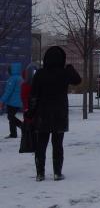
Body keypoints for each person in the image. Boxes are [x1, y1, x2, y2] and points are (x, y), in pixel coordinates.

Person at [27, 46, 82, 181]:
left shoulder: (40, 74)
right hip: (59, 113)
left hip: (42, 114)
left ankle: (40, 173)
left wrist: (31, 112)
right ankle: (57, 172)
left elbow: (33, 95)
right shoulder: (64, 73)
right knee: (58, 144)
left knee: (41, 144)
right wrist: (70, 68)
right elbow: (77, 80)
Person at [0, 63, 23, 138]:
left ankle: (21, 128)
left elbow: (8, 91)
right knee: (11, 117)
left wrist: (2, 101)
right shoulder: (20, 78)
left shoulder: (12, 79)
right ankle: (14, 133)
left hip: (13, 102)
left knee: (10, 117)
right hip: (18, 101)